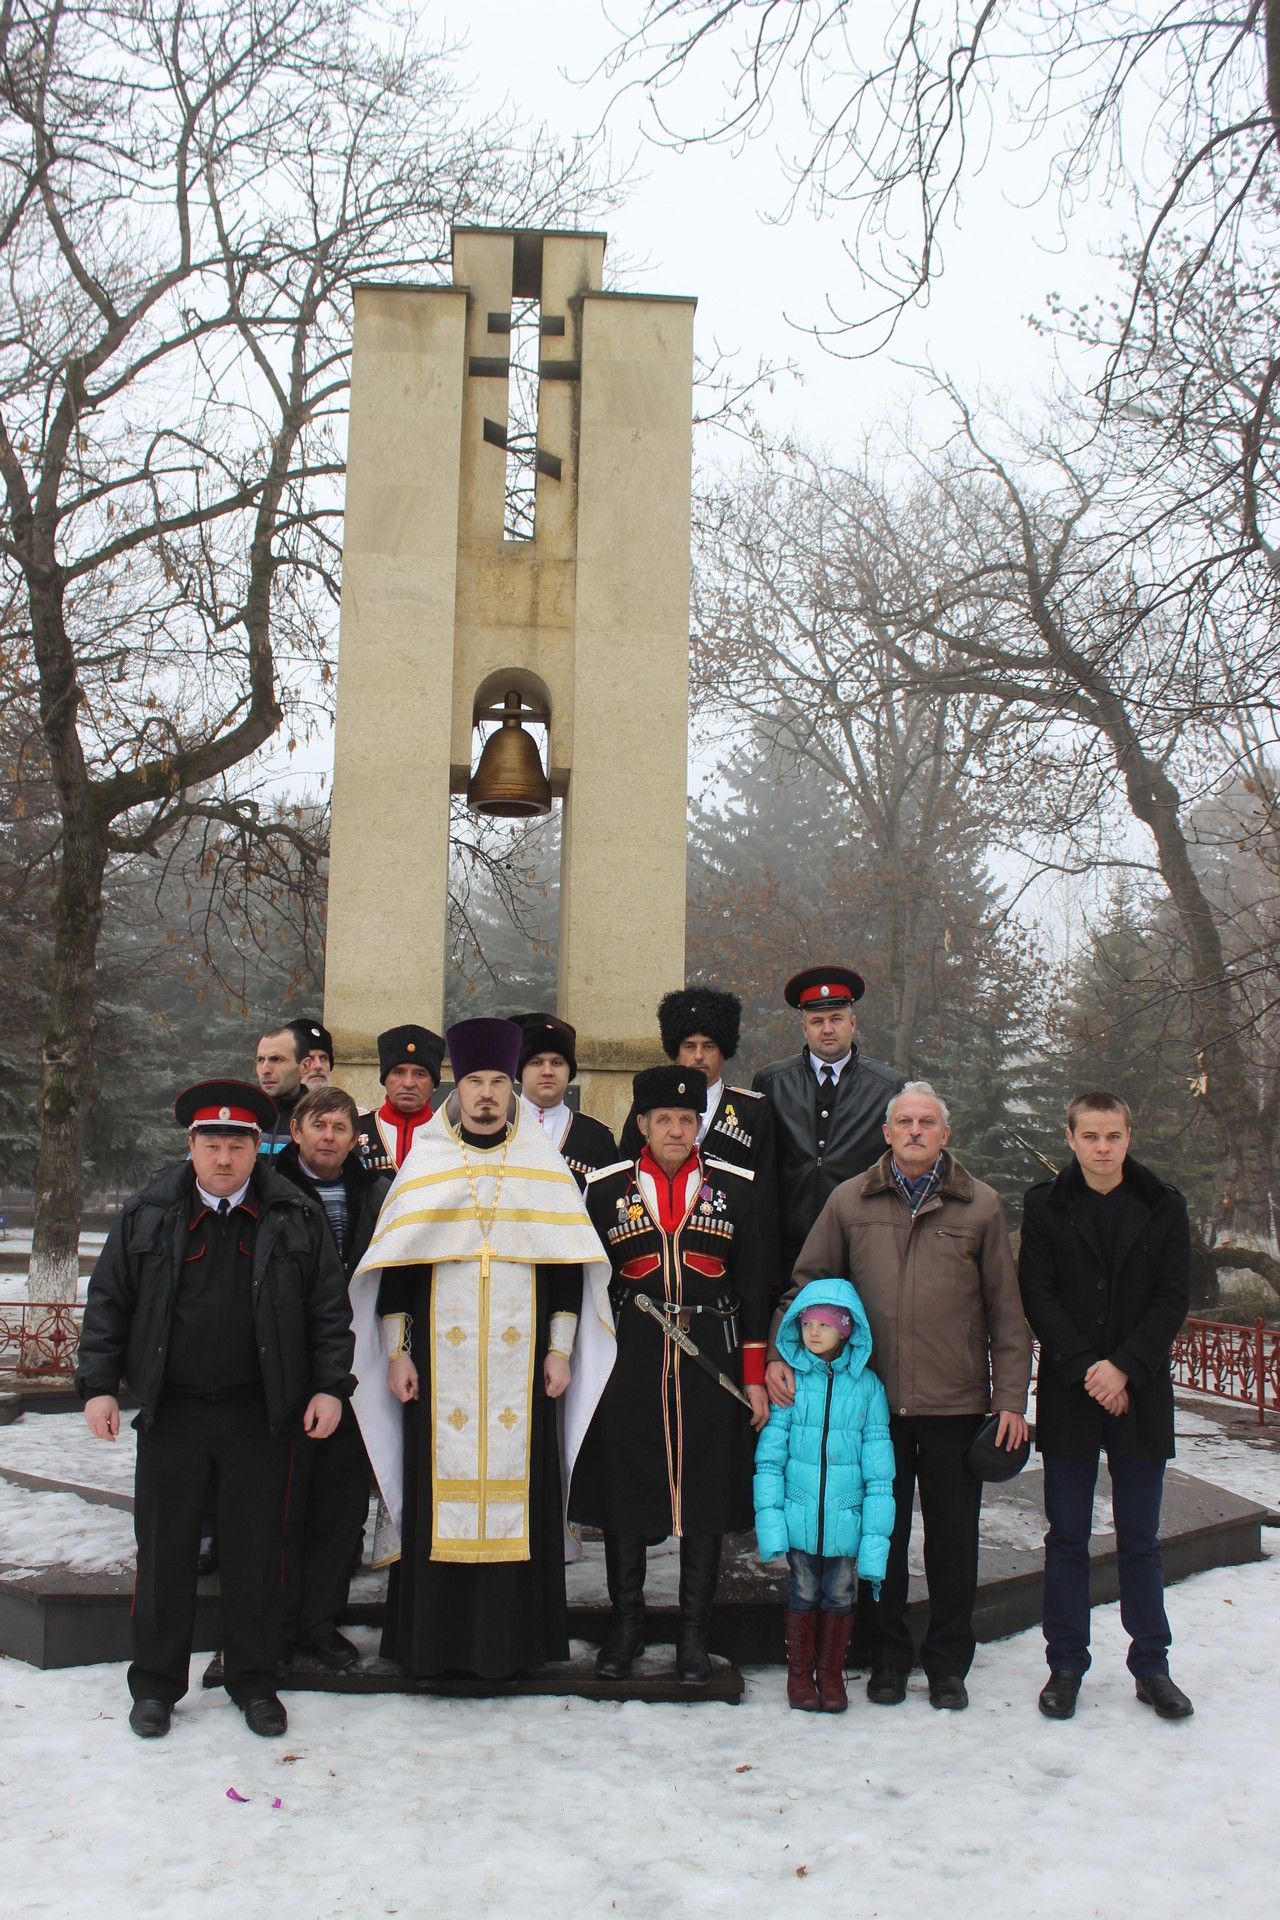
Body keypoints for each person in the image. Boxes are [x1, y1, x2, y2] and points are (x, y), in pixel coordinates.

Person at [75, 1081, 355, 1740]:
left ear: (259, 1149)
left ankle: (254, 1681)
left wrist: (328, 1387)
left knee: (257, 1556)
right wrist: (97, 1385)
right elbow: (109, 1300)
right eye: (211, 1143)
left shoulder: (293, 1213)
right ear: (191, 1146)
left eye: (237, 1144)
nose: (223, 1157)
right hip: (173, 1414)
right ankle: (156, 1685)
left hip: (260, 1416)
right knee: (166, 1553)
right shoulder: (149, 1212)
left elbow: (328, 1311)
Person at [348, 1018, 615, 1681]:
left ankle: (515, 1647)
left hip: (522, 1370)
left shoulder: (541, 1168)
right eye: (476, 1083)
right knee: (437, 1494)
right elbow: (398, 1272)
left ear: (513, 1088)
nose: (489, 1095)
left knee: (521, 1498)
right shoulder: (427, 1164)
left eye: (499, 1082)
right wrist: (397, 1353)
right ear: (457, 1089)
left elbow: (564, 1270)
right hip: (439, 1370)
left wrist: (561, 1352)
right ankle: (433, 1648)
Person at [766, 1081, 1031, 1710]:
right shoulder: (849, 1202)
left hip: (954, 1404)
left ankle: (947, 1663)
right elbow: (808, 1287)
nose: (915, 1131)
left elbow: (1007, 1312)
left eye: (927, 1122)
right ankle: (887, 1658)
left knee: (952, 1541)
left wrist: (1011, 1399)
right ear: (887, 1134)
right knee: (876, 1538)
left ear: (944, 1134)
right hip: (869, 1408)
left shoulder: (982, 1207)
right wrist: (781, 1353)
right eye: (904, 1121)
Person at [569, 1065, 771, 1685]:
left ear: (699, 1126)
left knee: (705, 1495)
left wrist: (756, 1375)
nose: (676, 1130)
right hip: (629, 1362)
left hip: (712, 1362)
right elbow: (585, 1287)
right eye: (664, 1120)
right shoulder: (604, 1190)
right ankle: (626, 1628)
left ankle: (692, 1636)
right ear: (642, 1125)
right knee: (628, 1493)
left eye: (687, 1120)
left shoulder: (738, 1188)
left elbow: (757, 1284)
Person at [1018, 1091, 1194, 1721]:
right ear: (1069, 1137)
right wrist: (1088, 1367)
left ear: (1128, 1136)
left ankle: (1152, 1665)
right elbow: (1037, 1291)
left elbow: (1173, 1296)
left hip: (1140, 1392)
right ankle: (1065, 1664)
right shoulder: (1045, 1205)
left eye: (1112, 1136)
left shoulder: (1163, 1205)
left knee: (1140, 1537)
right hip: (1072, 1391)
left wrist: (1124, 1366)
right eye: (1089, 1135)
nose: (1101, 1147)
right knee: (1066, 1535)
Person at [275, 1086, 390, 1670]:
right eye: (318, 1125)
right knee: (279, 1507)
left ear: (353, 1138)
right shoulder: (269, 1189)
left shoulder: (375, 1192)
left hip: (352, 1371)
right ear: (296, 1130)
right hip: (282, 1370)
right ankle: (276, 1626)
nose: (328, 1137)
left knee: (340, 1509)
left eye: (340, 1128)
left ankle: (321, 1623)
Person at [754, 1281, 896, 1712]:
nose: (813, 1333)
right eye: (808, 1324)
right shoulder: (791, 1384)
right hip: (800, 1518)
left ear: (847, 1330)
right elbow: (769, 1462)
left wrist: (874, 1542)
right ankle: (800, 1677)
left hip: (846, 1522)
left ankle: (831, 1674)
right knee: (802, 1592)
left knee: (838, 1595)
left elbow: (879, 1475)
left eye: (825, 1325)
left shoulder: (868, 1389)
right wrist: (772, 1523)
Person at [752, 966, 906, 1283]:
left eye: (836, 1019)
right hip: (787, 1249)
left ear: (852, 1023)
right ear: (804, 1028)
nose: (827, 1029)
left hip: (861, 1248)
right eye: (817, 1021)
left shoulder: (888, 1088)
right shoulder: (772, 1082)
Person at [618, 987, 779, 1279]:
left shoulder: (753, 1110)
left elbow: (765, 1198)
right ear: (676, 1050)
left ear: (723, 1050)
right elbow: (627, 1179)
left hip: (728, 1259)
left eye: (709, 1046)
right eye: (689, 1046)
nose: (699, 1056)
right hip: (656, 1259)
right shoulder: (648, 1106)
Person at [513, 1011, 618, 1189]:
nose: (547, 1071)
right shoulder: (497, 1128)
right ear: (520, 1071)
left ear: (569, 1071)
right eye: (536, 1062)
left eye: (557, 1063)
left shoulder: (597, 1138)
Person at [355, 1024, 445, 1175]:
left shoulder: (447, 1133)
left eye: (420, 1074)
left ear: (433, 1083)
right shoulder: (357, 1127)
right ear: (385, 1079)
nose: (408, 1083)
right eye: (398, 1072)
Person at [255, 1024, 307, 1154]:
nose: (265, 1070)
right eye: (261, 1060)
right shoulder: (245, 1114)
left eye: (276, 1059)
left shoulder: (317, 1118)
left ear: (304, 1067)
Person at [289, 1017, 335, 1093]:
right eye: (309, 1059)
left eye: (323, 1058)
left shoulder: (344, 1104)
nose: (318, 1066)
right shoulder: (269, 1104)